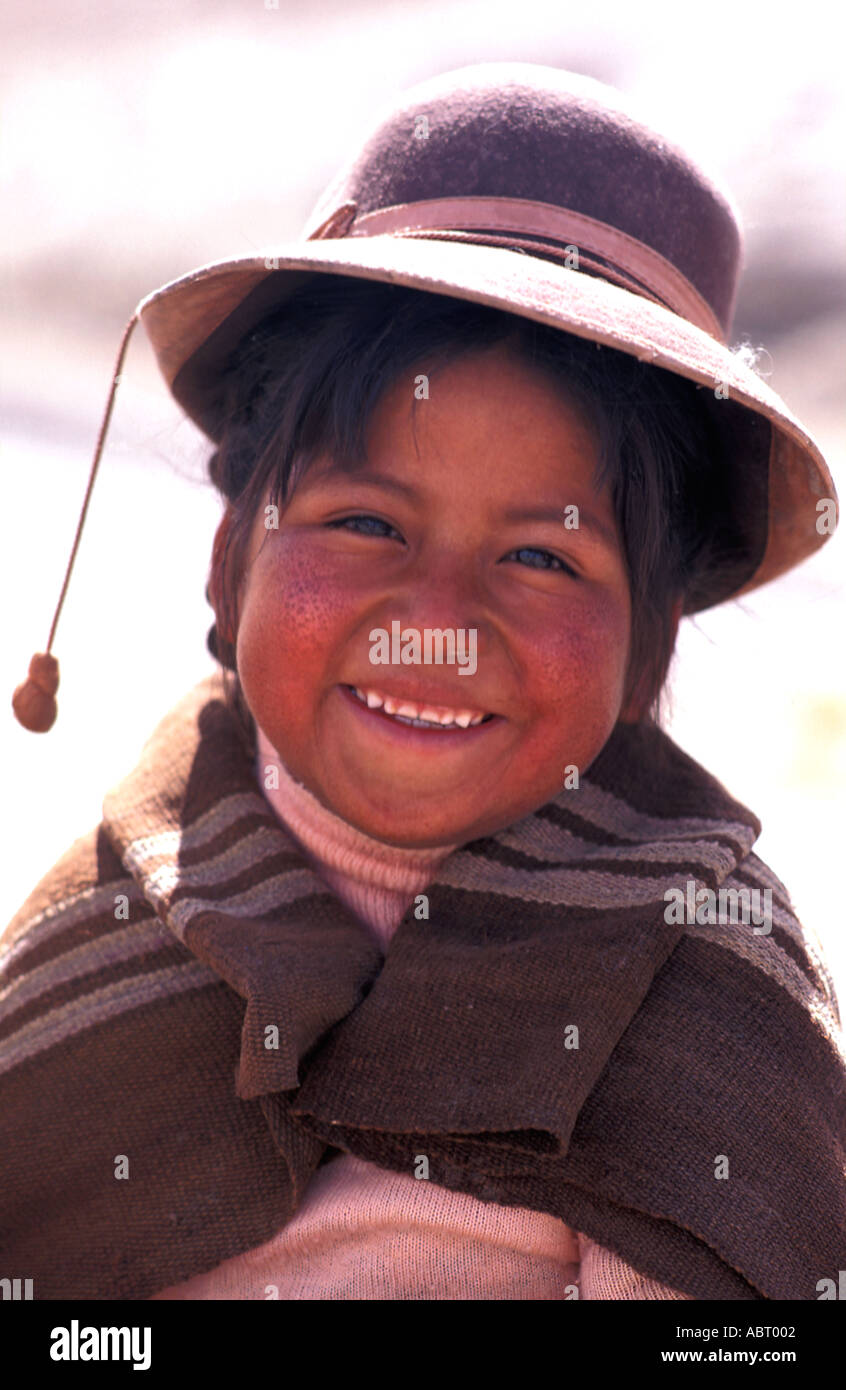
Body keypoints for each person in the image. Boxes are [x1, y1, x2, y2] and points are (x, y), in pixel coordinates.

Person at [2, 63, 843, 1302]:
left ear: (648, 648)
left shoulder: (707, 988)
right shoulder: (97, 949)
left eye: (541, 556)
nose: (437, 626)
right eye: (366, 526)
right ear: (231, 563)